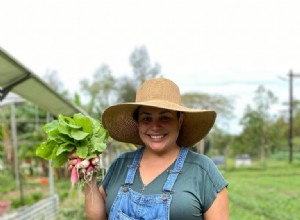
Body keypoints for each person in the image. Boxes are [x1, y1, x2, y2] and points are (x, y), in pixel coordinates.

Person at [69, 77, 229, 220]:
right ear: (137, 123)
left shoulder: (202, 170)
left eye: (165, 118)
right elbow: (97, 217)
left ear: (179, 121)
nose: (155, 127)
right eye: (146, 118)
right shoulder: (121, 164)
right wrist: (88, 176)